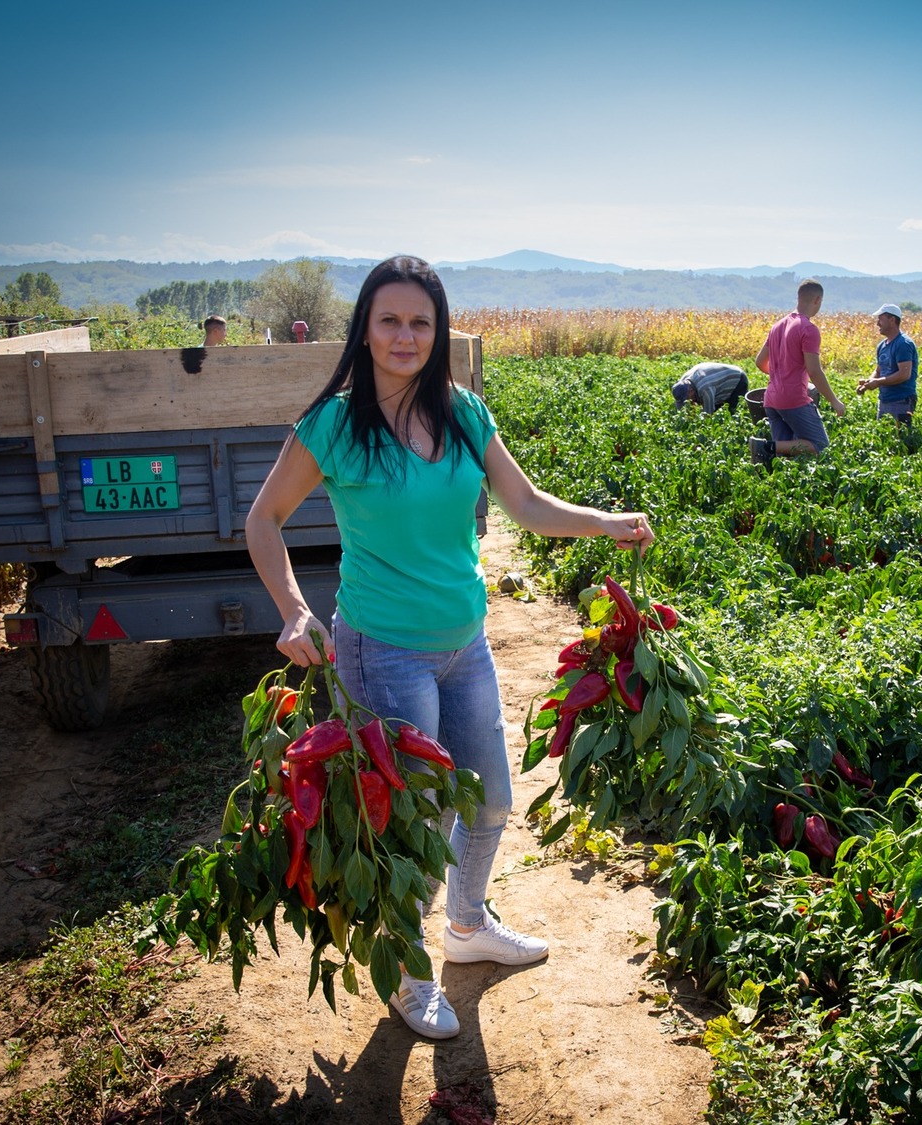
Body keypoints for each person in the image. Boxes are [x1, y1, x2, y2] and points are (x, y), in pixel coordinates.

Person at [245, 256, 654, 1040]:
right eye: (390, 320)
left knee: (492, 797)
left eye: (421, 322)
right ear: (364, 328)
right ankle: (404, 972)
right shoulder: (336, 423)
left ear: (439, 333)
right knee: (419, 819)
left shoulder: (464, 411)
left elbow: (525, 502)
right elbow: (263, 519)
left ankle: (467, 925)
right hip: (381, 649)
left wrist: (607, 522)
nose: (406, 336)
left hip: (464, 643)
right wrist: (296, 611)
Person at [749, 279, 846, 466]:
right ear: (818, 300)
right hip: (793, 399)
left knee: (786, 459)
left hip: (772, 399)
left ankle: (768, 450)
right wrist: (834, 401)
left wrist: (781, 375)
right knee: (820, 446)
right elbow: (814, 371)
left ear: (799, 298)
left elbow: (760, 362)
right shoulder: (808, 329)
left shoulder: (777, 326)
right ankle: (765, 447)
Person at [855, 303, 918, 421]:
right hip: (884, 399)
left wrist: (877, 382)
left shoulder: (903, 344)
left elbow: (904, 375)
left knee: (899, 437)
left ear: (892, 320)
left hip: (901, 400)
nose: (877, 323)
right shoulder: (882, 346)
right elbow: (879, 370)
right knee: (884, 436)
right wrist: (868, 383)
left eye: (880, 319)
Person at [671, 361, 749, 414]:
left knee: (733, 411)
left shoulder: (705, 388)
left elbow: (708, 414)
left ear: (691, 391)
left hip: (737, 379)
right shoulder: (682, 382)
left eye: (687, 398)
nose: (688, 401)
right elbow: (680, 407)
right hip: (716, 381)